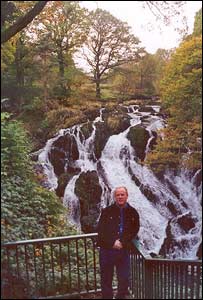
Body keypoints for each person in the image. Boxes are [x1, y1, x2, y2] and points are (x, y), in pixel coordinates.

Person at [97, 186, 140, 299]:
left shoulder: (133, 212)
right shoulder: (107, 211)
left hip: (123, 250)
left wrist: (122, 242)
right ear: (115, 197)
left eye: (122, 194)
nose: (120, 197)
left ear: (127, 196)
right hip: (107, 250)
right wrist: (112, 242)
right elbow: (101, 230)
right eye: (118, 195)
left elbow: (134, 230)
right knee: (106, 279)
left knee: (124, 279)